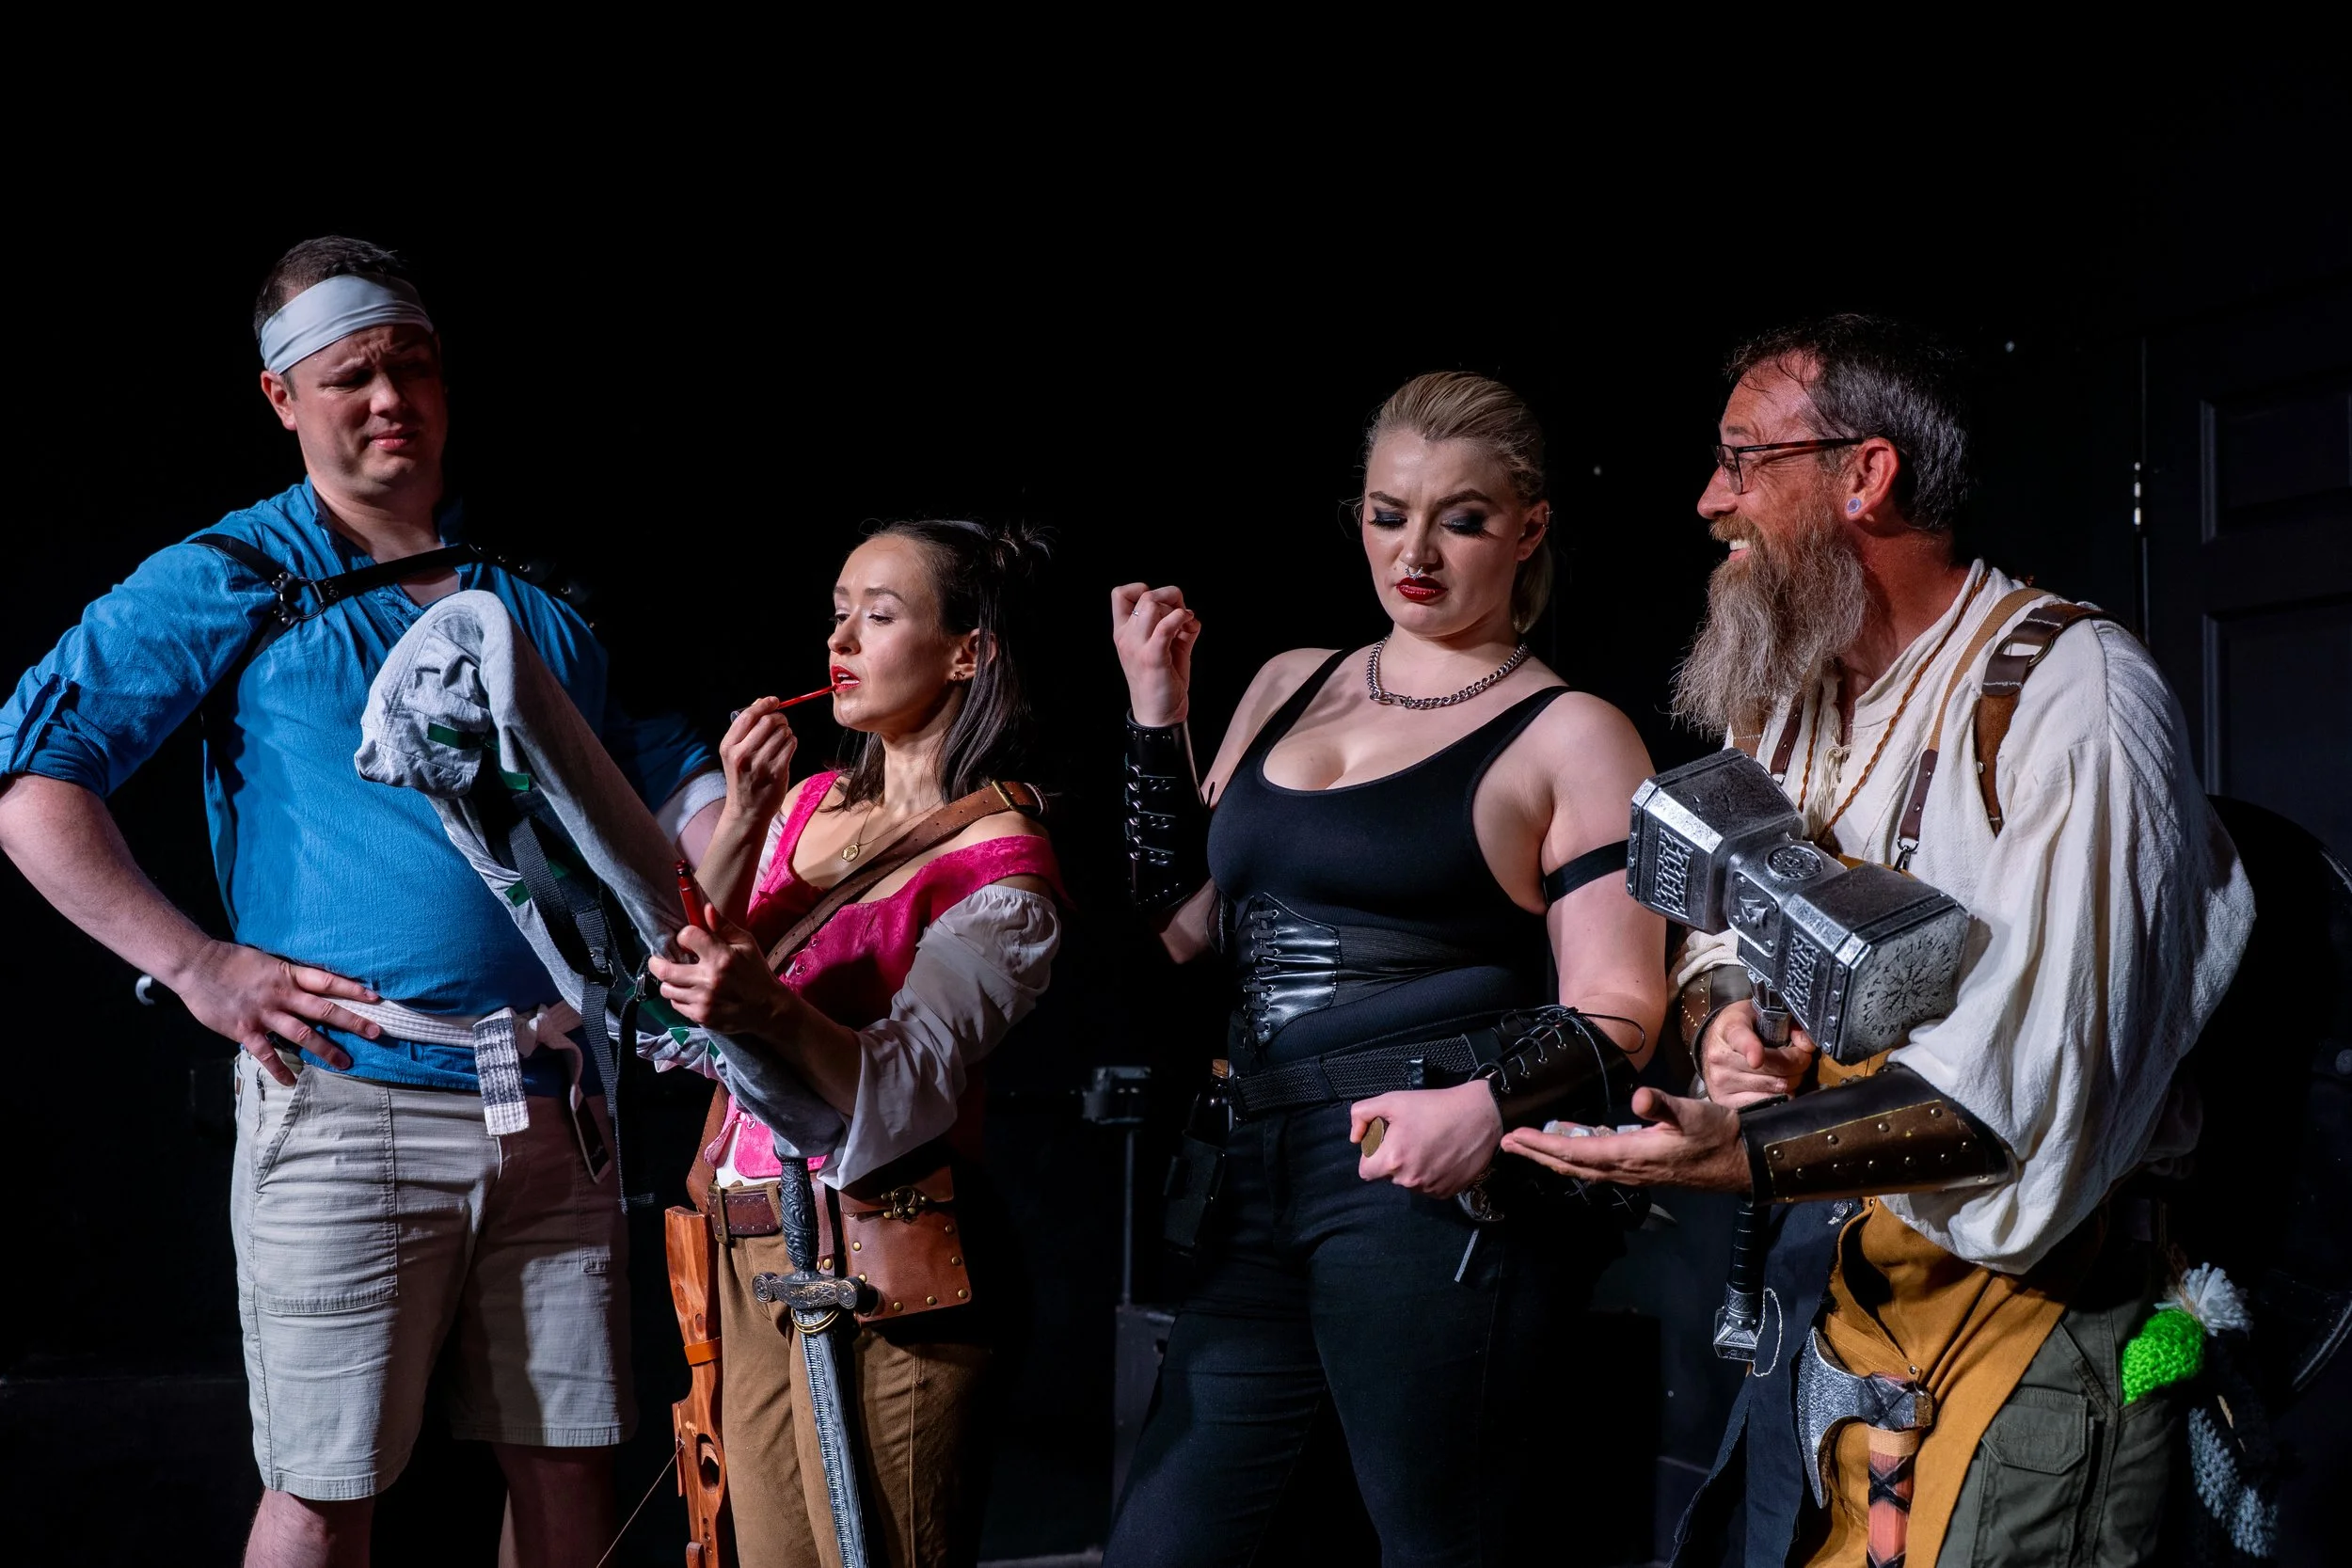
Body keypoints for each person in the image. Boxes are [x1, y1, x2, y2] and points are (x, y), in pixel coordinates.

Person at [0, 238, 724, 1568]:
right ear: (282, 397)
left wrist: (758, 820)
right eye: (351, 376)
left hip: (556, 1104)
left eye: (414, 365)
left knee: (570, 1472)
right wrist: (201, 965)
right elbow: (36, 786)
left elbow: (673, 788)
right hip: (348, 1104)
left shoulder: (537, 590)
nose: (391, 397)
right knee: (324, 1487)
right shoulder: (234, 573)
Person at [1503, 316, 2254, 1567]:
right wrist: (1731, 1023)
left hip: (2028, 1320)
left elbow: (2022, 1100)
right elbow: (1723, 922)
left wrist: (1742, 1151)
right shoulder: (1789, 692)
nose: (1710, 500)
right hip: (1838, 1296)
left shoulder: (2074, 696)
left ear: (1864, 474)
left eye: (1742, 459)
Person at [1102, 372, 1671, 1567]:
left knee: (1441, 1544)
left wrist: (1483, 1108)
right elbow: (1180, 931)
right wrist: (1157, 717)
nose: (1414, 552)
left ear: (1528, 528)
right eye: (1386, 513)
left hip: (1419, 1180)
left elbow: (1623, 1008)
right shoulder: (1288, 680)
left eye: (1460, 519)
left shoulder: (1574, 732)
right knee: (1163, 1542)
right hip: (1254, 1166)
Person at [648, 518, 1065, 1568]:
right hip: (751, 1244)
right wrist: (743, 813)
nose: (840, 640)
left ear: (965, 652)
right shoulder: (803, 805)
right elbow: (678, 992)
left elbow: (910, 1084)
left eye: (877, 616)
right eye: (838, 613)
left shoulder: (1000, 858)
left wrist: (771, 1008)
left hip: (887, 1258)